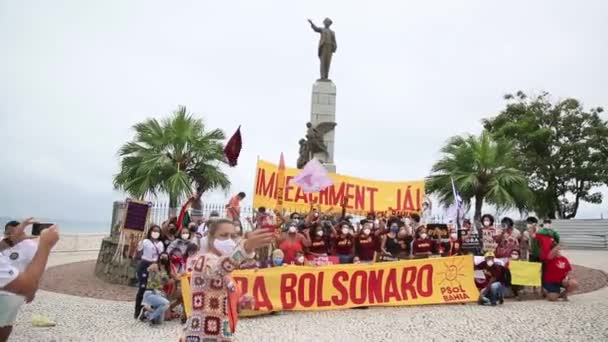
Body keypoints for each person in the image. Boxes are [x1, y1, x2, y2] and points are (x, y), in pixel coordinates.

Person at [182, 219, 273, 341]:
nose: (229, 240)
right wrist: (245, 249)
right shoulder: (204, 260)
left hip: (221, 332)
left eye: (233, 236)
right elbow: (216, 270)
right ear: (210, 238)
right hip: (203, 334)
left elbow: (220, 301)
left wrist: (240, 303)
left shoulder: (223, 265)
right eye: (224, 235)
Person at [0, 224, 59, 342]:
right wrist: (45, 245)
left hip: (11, 291)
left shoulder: (28, 246)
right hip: (14, 285)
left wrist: (11, 240)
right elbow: (27, 285)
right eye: (8, 233)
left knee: (6, 322)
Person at [134, 225, 165, 319]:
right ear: (150, 231)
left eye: (158, 231)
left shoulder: (160, 244)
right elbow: (137, 252)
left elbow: (161, 256)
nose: (156, 233)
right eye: (154, 231)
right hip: (144, 265)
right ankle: (137, 309)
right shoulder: (145, 241)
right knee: (142, 287)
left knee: (153, 288)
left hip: (154, 266)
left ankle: (148, 309)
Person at [139, 254, 171, 325]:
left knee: (159, 322)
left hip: (159, 294)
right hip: (151, 292)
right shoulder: (155, 266)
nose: (164, 259)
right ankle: (151, 316)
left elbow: (166, 281)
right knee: (166, 304)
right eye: (163, 257)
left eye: (166, 258)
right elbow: (148, 269)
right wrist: (156, 270)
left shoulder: (165, 271)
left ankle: (146, 313)